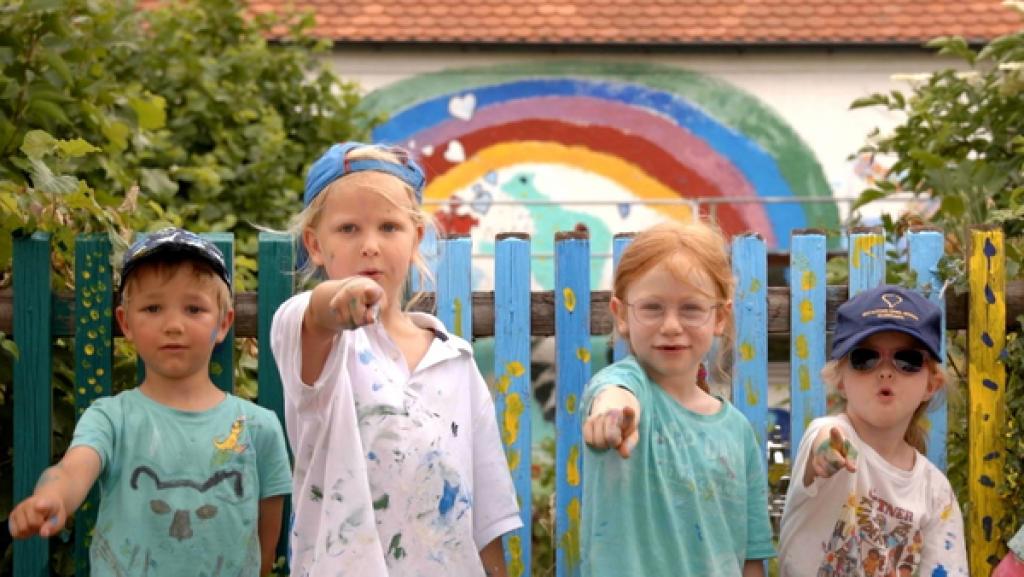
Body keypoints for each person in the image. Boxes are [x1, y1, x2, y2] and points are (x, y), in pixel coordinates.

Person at [270, 142, 521, 577]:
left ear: (416, 237)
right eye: (348, 229)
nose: (370, 245)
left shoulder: (456, 360)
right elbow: (318, 313)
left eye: (389, 227)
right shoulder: (313, 334)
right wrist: (342, 298)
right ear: (314, 244)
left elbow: (487, 519)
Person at [7, 228, 292, 577]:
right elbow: (72, 471)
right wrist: (52, 497)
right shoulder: (110, 419)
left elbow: (267, 533)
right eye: (153, 308)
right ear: (126, 323)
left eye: (194, 309)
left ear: (223, 324)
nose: (173, 325)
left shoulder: (258, 427)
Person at [580, 220, 775, 577]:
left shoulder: (737, 431)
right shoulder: (624, 386)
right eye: (652, 307)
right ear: (621, 315)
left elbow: (750, 557)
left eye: (691, 308)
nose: (671, 325)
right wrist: (611, 417)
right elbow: (615, 395)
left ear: (719, 317)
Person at [778, 285, 968, 577]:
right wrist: (828, 455)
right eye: (865, 358)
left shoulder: (936, 493)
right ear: (839, 379)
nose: (885, 371)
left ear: (931, 385)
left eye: (908, 360)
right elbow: (826, 443)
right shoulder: (833, 435)